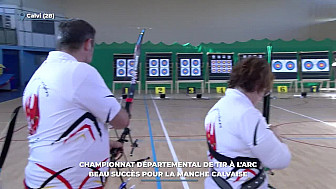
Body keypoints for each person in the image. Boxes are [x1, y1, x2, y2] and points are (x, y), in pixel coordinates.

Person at [22, 19, 130, 189]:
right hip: (67, 182)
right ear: (88, 44)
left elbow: (56, 129)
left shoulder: (39, 74)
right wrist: (124, 110)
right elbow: (120, 121)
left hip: (39, 178)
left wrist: (104, 144)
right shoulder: (79, 71)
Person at [204, 57, 291, 189]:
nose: (262, 96)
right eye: (265, 90)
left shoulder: (216, 109)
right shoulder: (247, 115)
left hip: (218, 182)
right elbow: (280, 160)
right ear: (258, 86)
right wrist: (276, 138)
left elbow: (232, 152)